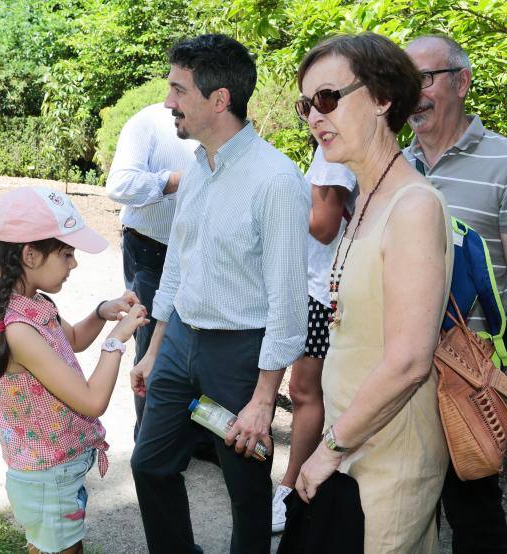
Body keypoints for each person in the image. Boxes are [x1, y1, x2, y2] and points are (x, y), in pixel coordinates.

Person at [129, 34, 309, 554]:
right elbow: (178, 265)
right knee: (149, 464)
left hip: (240, 357)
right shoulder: (197, 171)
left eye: (178, 91)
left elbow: (287, 302)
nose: (168, 104)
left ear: (219, 99)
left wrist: (262, 400)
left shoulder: (276, 181)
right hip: (181, 341)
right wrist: (156, 350)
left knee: (246, 490)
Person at [293, 33, 453, 553]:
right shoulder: (365, 198)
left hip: (389, 460)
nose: (316, 117)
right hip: (353, 449)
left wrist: (329, 449)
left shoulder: (412, 206)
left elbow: (409, 360)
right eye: (307, 105)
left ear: (383, 98)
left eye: (328, 98)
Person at [403, 35, 507, 553]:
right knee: (403, 501)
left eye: (425, 78)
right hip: (400, 366)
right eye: (404, 79)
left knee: (473, 502)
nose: (413, 92)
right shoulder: (393, 166)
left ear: (462, 82)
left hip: (469, 371)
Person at [0, 187, 149, 554]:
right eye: (67, 253)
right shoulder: (18, 330)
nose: (74, 263)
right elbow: (92, 400)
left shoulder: (27, 303)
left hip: (52, 475)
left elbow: (74, 339)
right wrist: (117, 339)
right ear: (30, 254)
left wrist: (103, 312)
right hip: (47, 481)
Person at [271, 147, 357, 533]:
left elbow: (323, 225)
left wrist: (278, 204)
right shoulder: (331, 149)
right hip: (318, 290)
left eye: (318, 102)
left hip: (322, 294)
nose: (311, 115)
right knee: (306, 391)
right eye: (305, 107)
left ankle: (291, 490)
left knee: (305, 392)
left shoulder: (332, 153)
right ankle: (295, 486)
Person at [106, 103, 197, 439]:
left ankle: (193, 436)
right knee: (149, 344)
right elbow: (119, 186)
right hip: (150, 250)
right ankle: (148, 437)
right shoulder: (147, 123)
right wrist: (179, 181)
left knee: (196, 343)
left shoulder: (221, 128)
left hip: (202, 252)